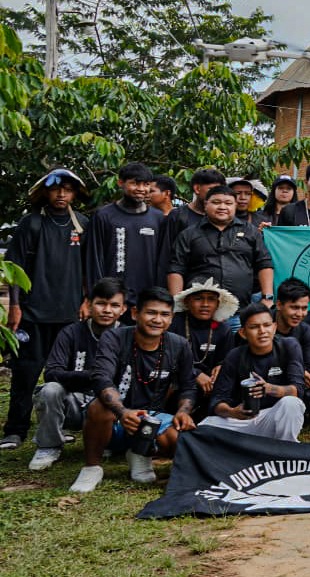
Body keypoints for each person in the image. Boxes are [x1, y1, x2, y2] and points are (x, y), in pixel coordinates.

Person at [70, 287, 196, 493]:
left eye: (164, 314)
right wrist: (122, 412)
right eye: (151, 313)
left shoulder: (179, 344)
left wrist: (183, 412)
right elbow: (101, 377)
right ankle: (92, 468)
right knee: (100, 407)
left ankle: (139, 453)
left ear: (171, 318)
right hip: (114, 419)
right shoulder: (114, 338)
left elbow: (189, 386)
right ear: (136, 313)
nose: (157, 319)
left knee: (179, 438)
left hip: (150, 420)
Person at [4, 168, 89, 450]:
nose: (61, 194)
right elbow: (14, 269)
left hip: (69, 316)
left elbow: (90, 269)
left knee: (65, 375)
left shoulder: (83, 225)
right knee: (26, 373)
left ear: (74, 193)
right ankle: (15, 429)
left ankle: (60, 425)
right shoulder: (31, 224)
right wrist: (15, 306)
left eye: (67, 189)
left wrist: (87, 300)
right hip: (33, 313)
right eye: (56, 189)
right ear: (46, 192)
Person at [31, 278, 127, 471]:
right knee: (50, 390)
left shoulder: (128, 336)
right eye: (101, 303)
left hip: (111, 405)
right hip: (74, 402)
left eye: (114, 305)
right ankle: (48, 446)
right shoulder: (71, 332)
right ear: (89, 304)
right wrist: (93, 376)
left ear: (123, 309)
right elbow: (52, 372)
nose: (107, 310)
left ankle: (109, 441)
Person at [200, 302, 306, 440]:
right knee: (205, 427)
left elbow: (298, 390)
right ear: (243, 333)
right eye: (254, 327)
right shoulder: (235, 355)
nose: (262, 331)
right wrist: (232, 412)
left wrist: (268, 388)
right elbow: (217, 401)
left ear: (274, 328)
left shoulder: (289, 346)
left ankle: (285, 450)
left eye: (267, 325)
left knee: (292, 403)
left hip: (274, 418)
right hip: (243, 421)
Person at [166, 185, 273, 314]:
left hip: (241, 312)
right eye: (216, 202)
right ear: (206, 204)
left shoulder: (250, 231)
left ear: (235, 206)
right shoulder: (189, 234)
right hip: (199, 312)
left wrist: (267, 297)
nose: (222, 207)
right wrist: (177, 304)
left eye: (228, 203)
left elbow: (264, 263)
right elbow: (176, 269)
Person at [83, 162, 163, 311]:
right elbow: (93, 259)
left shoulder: (158, 219)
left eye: (145, 184)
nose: (141, 189)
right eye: (135, 183)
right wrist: (94, 297)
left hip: (146, 300)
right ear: (121, 182)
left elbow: (163, 261)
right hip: (111, 301)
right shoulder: (103, 216)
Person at [170, 279, 238, 417]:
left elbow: (226, 360)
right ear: (186, 302)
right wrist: (195, 374)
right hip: (179, 379)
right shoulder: (174, 323)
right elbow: (168, 358)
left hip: (209, 384)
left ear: (218, 304)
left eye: (211, 299)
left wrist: (220, 367)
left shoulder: (223, 329)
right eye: (198, 299)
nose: (205, 304)